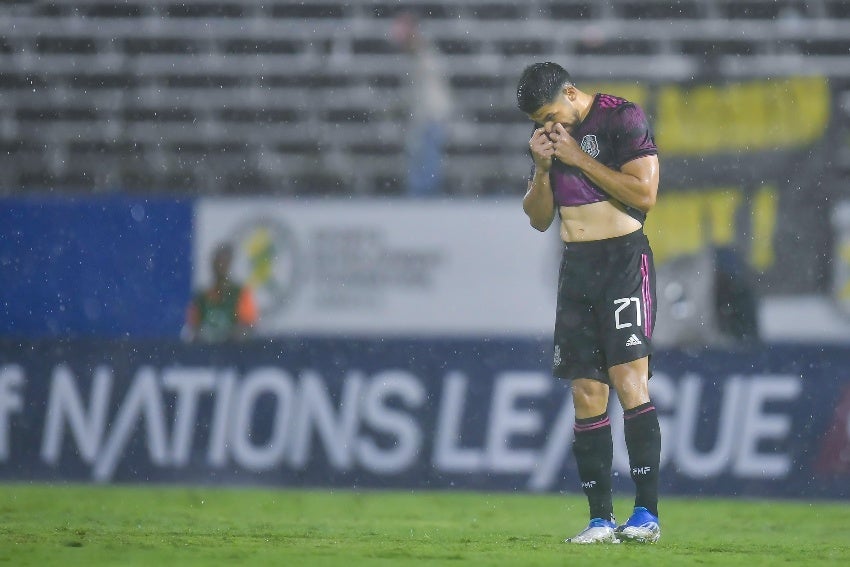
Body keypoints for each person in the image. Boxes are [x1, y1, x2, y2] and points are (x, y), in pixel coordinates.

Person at [516, 62, 662, 544]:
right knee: (585, 392)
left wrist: (577, 159)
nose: (546, 126)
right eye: (538, 122)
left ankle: (646, 515)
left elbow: (645, 193)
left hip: (622, 260)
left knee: (628, 381)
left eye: (549, 114)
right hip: (576, 268)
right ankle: (600, 520)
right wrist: (541, 169)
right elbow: (539, 219)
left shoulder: (622, 117)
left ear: (572, 93)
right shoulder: (552, 143)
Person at [391, 11, 453, 198]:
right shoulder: (420, 57)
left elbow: (427, 86)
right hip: (426, 115)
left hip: (431, 115)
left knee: (427, 160)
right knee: (422, 160)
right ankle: (422, 195)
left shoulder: (425, 55)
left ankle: (424, 196)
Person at [183, 242, 258, 343]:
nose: (221, 267)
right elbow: (192, 329)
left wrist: (231, 334)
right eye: (218, 263)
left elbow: (248, 327)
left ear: (230, 265)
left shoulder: (240, 294)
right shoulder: (202, 298)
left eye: (224, 263)